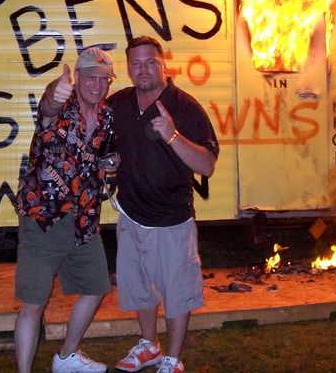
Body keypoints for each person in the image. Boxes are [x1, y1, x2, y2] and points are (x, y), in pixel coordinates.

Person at [109, 36, 219, 373]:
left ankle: (172, 358)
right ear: (129, 68)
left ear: (163, 64)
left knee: (177, 291)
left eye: (149, 62)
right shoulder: (119, 104)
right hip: (130, 213)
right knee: (139, 287)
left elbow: (206, 165)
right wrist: (107, 162)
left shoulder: (185, 107)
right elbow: (102, 141)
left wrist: (172, 135)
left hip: (172, 218)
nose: (142, 69)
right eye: (136, 63)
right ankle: (149, 346)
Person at [14, 47, 117, 373]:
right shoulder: (60, 107)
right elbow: (47, 107)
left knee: (97, 287)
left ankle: (67, 356)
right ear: (78, 77)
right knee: (33, 303)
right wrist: (53, 95)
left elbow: (102, 154)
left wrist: (110, 163)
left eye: (104, 79)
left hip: (84, 218)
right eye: (90, 78)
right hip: (44, 217)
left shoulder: (106, 116)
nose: (97, 85)